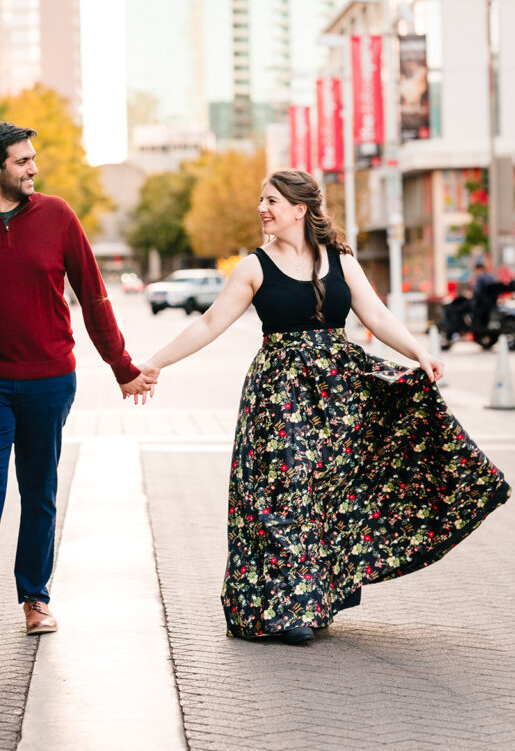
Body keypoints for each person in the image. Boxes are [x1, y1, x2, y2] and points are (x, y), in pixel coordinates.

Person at [139, 170, 511, 644]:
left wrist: (420, 354)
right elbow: (210, 323)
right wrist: (155, 363)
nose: (262, 208)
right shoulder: (254, 267)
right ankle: (285, 610)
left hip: (340, 394)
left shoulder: (339, 259)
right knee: (282, 496)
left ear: (300, 209)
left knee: (325, 496)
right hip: (279, 396)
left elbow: (375, 314)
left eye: (271, 200)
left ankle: (314, 598)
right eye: (260, 199)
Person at [0, 121, 157, 650]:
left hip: (50, 378)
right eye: (22, 161)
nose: (33, 168)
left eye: (33, 158)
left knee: (40, 490)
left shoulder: (57, 216)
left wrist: (122, 367)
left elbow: (94, 297)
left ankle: (35, 598)